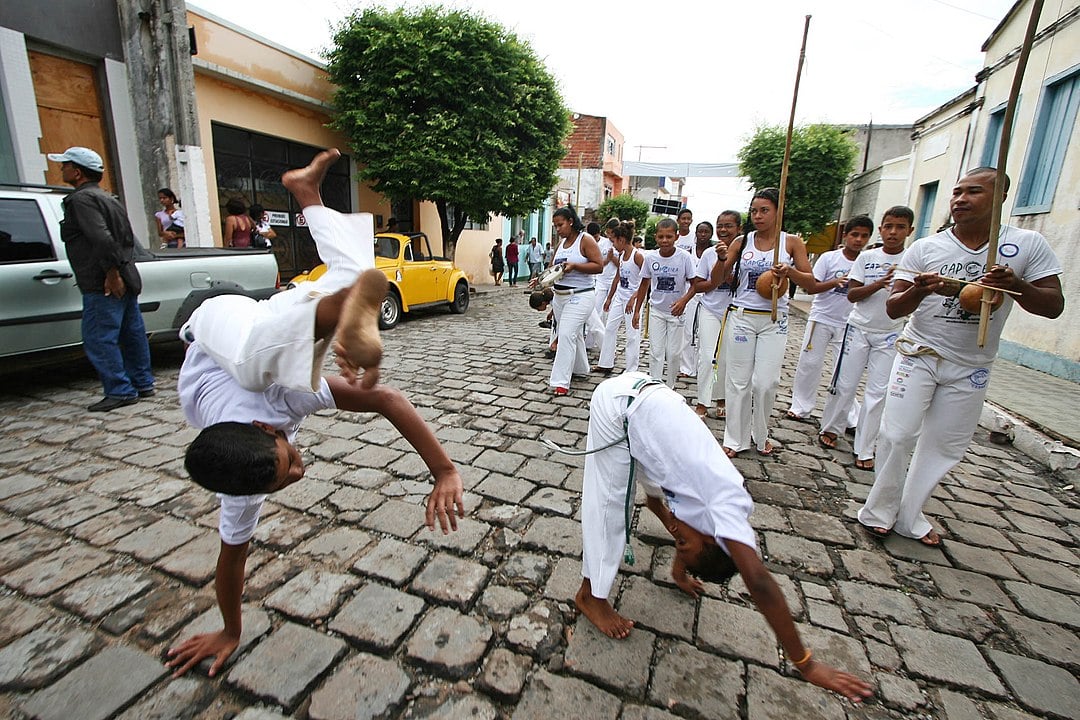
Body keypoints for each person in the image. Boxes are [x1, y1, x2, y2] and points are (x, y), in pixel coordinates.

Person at [166, 149, 465, 678]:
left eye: (288, 462)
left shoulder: (275, 402)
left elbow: (387, 399)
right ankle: (307, 196)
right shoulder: (241, 482)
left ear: (264, 431)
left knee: (257, 368)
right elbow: (230, 560)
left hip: (216, 331)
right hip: (278, 320)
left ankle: (339, 314)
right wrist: (229, 630)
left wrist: (444, 470)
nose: (300, 470)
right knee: (357, 270)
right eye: (289, 478)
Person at [574, 372, 874, 704]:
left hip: (647, 404)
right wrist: (806, 664)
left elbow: (673, 517)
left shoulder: (705, 520)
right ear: (714, 538)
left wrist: (679, 570)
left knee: (665, 499)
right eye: (685, 544)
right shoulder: (726, 504)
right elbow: (758, 581)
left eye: (679, 545)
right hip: (619, 407)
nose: (674, 534)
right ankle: (590, 596)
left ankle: (664, 561)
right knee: (611, 502)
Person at [857, 168, 1063, 545]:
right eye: (956, 192)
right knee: (897, 434)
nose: (960, 199)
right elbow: (893, 309)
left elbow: (1053, 306)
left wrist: (1016, 285)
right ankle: (879, 509)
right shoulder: (926, 248)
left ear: (1000, 198)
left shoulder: (1027, 245)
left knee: (944, 446)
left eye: (973, 192)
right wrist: (920, 292)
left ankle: (910, 513)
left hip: (973, 365)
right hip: (919, 352)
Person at [47, 146, 155, 412]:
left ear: (78, 172)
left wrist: (111, 273)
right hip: (123, 274)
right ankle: (142, 383)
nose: (62, 169)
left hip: (105, 280)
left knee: (99, 337)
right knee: (132, 333)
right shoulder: (108, 198)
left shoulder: (81, 200)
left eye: (65, 165)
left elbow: (101, 238)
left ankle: (120, 390)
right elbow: (124, 240)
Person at [709, 187, 815, 457]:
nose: (758, 215)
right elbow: (719, 279)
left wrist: (789, 271)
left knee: (766, 383)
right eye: (754, 210)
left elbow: (811, 284)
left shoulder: (791, 243)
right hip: (742, 317)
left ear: (778, 211)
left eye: (764, 210)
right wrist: (722, 259)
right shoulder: (741, 242)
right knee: (738, 381)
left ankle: (761, 434)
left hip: (773, 320)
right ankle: (735, 438)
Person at [819, 207, 914, 469]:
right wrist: (879, 283)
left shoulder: (913, 259)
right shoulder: (866, 258)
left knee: (878, 392)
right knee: (845, 384)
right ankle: (831, 427)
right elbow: (852, 294)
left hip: (890, 333)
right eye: (889, 226)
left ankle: (865, 446)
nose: (893, 233)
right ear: (881, 229)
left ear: (910, 231)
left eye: (900, 227)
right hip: (858, 328)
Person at [786, 216, 872, 424]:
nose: (858, 240)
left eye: (864, 236)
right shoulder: (829, 258)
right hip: (821, 318)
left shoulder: (868, 261)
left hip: (849, 323)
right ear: (845, 235)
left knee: (844, 371)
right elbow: (812, 287)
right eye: (854, 235)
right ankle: (801, 406)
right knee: (810, 364)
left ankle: (849, 415)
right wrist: (835, 282)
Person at [545, 206, 603, 396]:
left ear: (571, 221)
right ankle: (581, 368)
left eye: (560, 225)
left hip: (581, 294)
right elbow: (552, 268)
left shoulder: (585, 240)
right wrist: (540, 278)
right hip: (560, 297)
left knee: (567, 333)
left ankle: (561, 382)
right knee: (574, 334)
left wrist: (575, 266)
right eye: (555, 226)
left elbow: (599, 266)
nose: (558, 229)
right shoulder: (560, 244)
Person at [633, 218, 696, 389]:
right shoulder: (650, 257)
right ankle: (655, 385)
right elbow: (644, 284)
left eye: (669, 236)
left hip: (676, 312)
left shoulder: (685, 258)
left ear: (676, 237)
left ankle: (670, 386)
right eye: (661, 237)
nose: (665, 240)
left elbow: (694, 284)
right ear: (656, 237)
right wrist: (637, 310)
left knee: (674, 353)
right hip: (656, 311)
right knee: (656, 351)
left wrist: (683, 301)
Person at [691, 212, 739, 418]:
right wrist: (718, 280)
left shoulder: (745, 254)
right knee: (707, 356)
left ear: (739, 229)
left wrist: (732, 280)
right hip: (710, 310)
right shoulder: (710, 253)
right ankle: (703, 401)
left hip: (734, 312)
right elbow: (698, 284)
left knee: (726, 359)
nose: (723, 230)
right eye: (720, 226)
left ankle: (722, 399)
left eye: (728, 226)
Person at [594, 221, 644, 375]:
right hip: (620, 297)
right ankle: (606, 363)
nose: (613, 244)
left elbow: (646, 281)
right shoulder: (622, 255)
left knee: (632, 335)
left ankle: (631, 371)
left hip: (632, 301)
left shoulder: (637, 256)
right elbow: (618, 276)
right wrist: (609, 298)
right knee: (609, 328)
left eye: (614, 241)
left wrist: (634, 298)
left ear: (621, 240)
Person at [677, 220, 713, 378]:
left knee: (704, 334)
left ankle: (702, 366)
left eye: (706, 232)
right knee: (688, 332)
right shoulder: (688, 252)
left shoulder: (713, 253)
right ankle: (686, 367)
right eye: (700, 231)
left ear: (711, 234)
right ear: (696, 233)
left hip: (708, 296)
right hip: (690, 294)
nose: (703, 235)